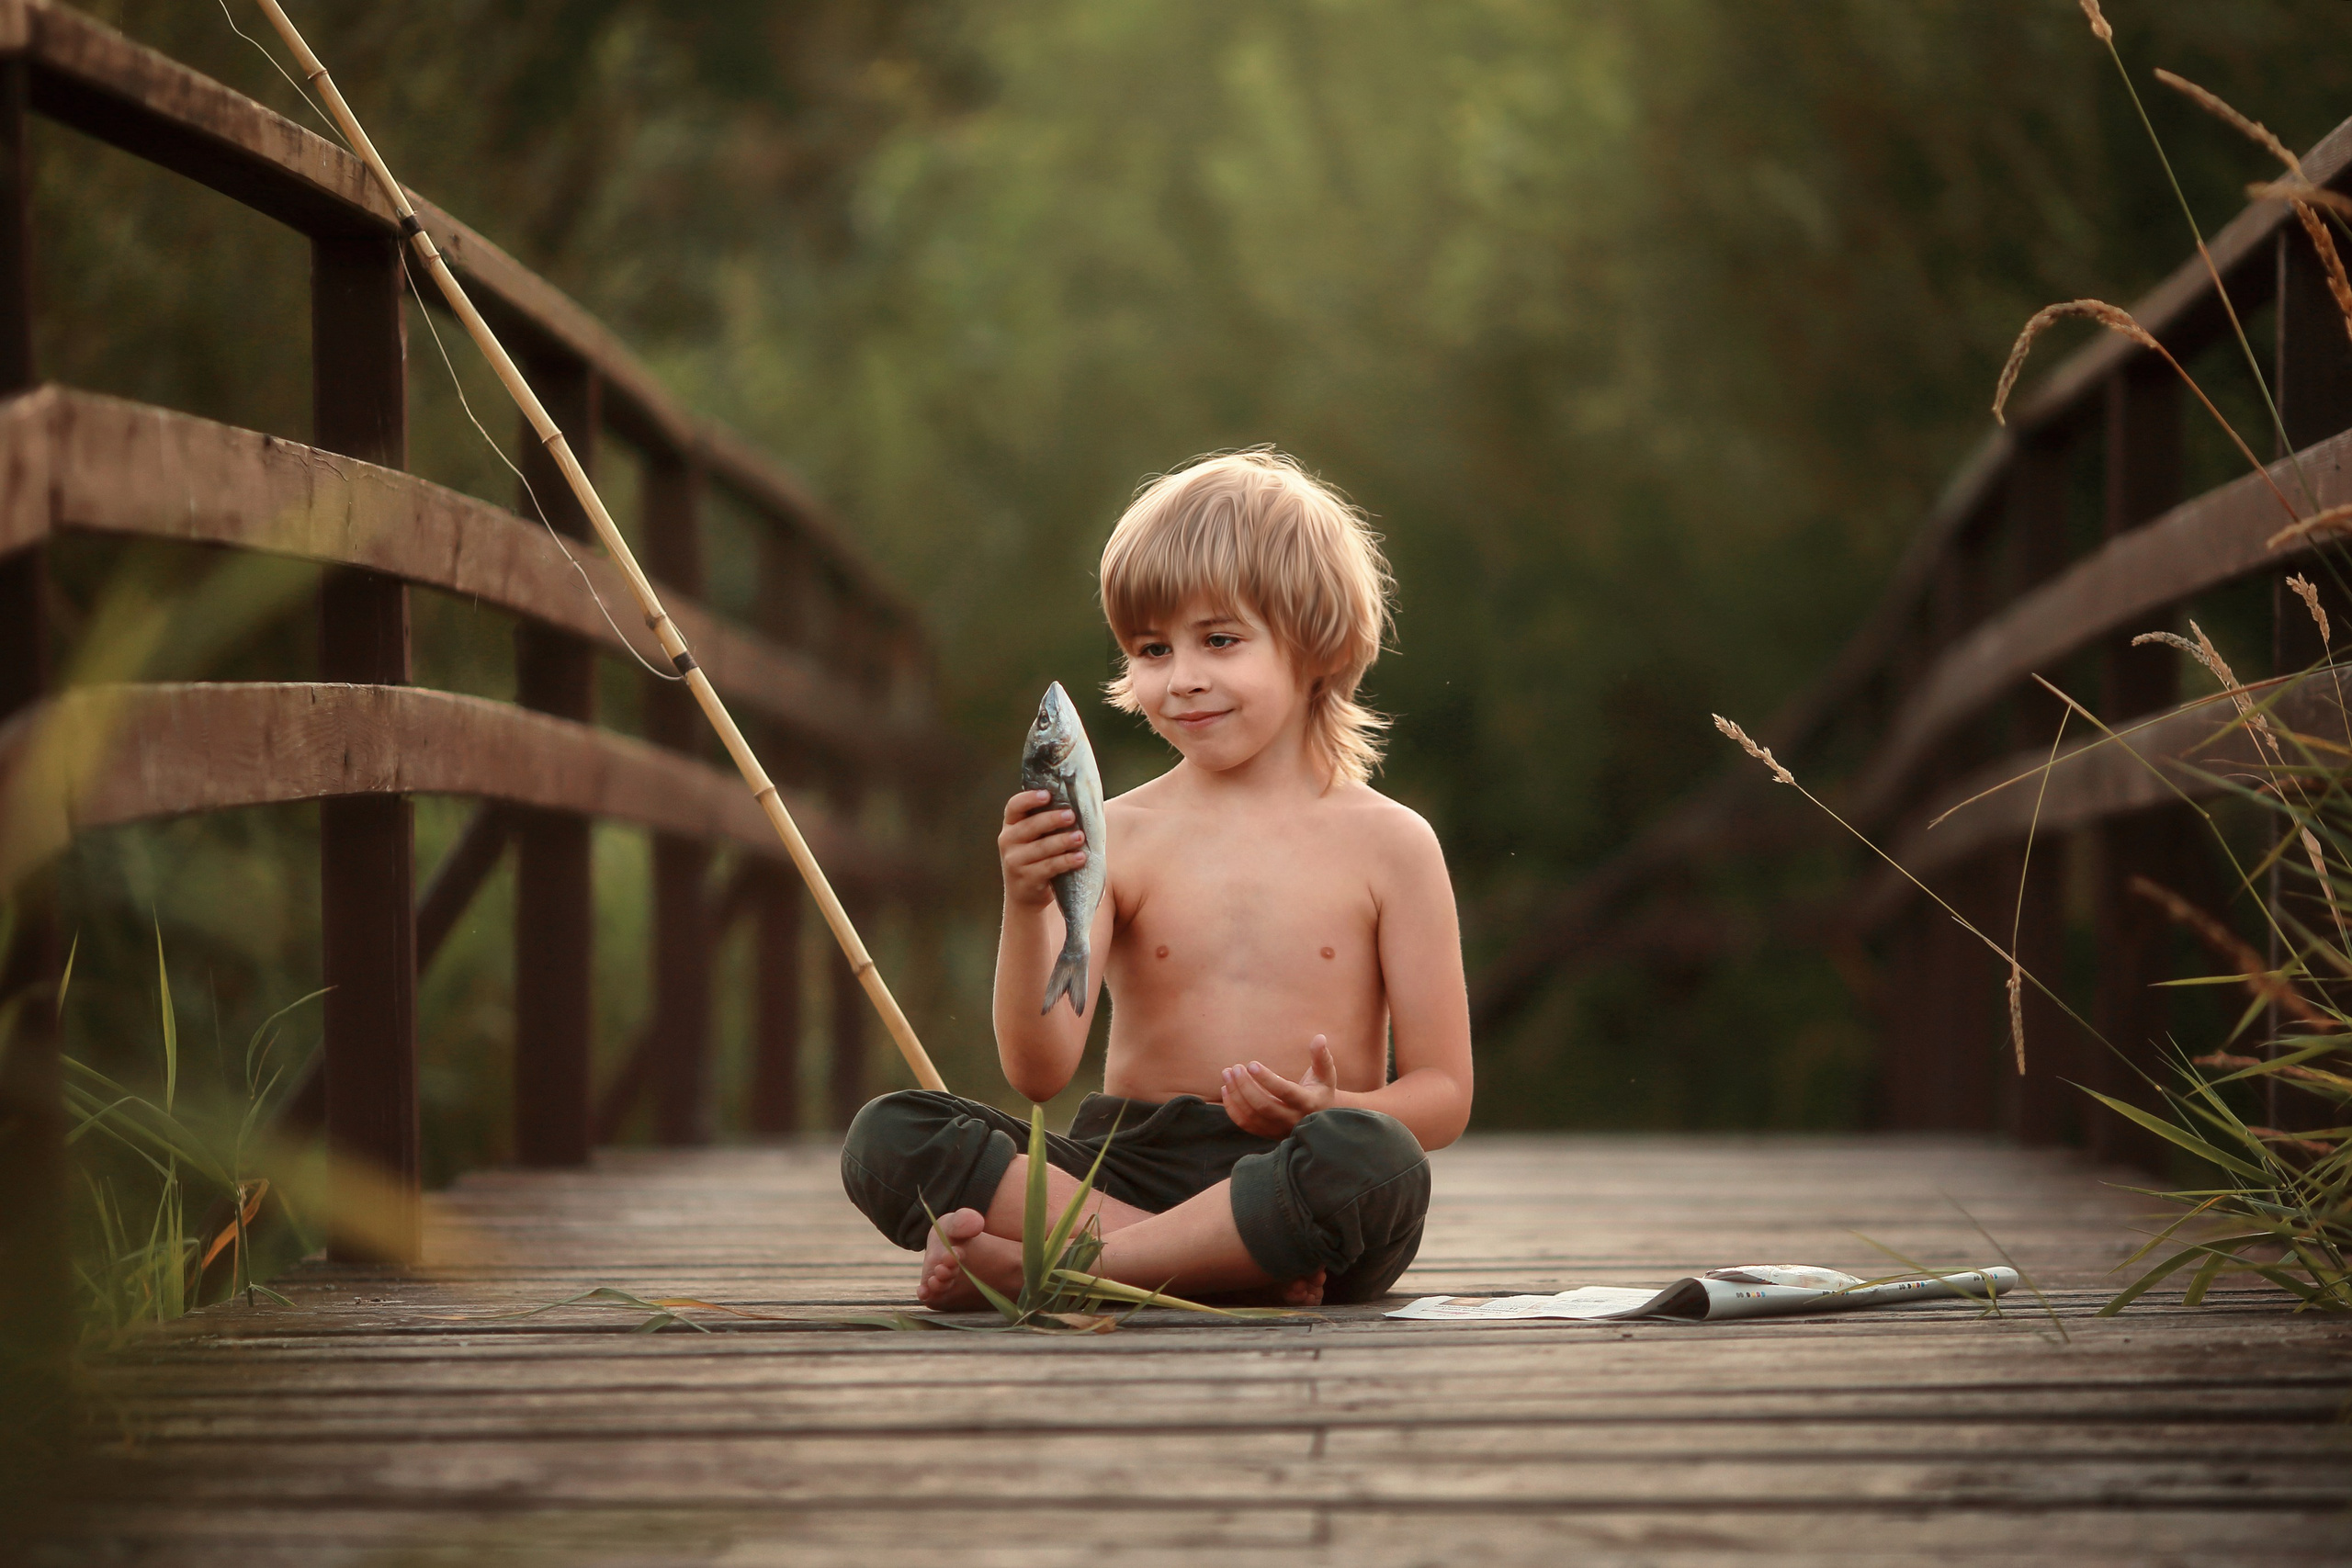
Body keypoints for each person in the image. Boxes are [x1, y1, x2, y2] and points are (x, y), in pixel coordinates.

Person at [841, 449, 1474, 1307]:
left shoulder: (1394, 844)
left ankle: (1067, 1267)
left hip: (1297, 1169)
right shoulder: (1123, 834)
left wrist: (1333, 1108)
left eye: (1218, 640)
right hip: (1124, 1172)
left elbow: (1444, 1094)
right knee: (891, 1135)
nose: (1180, 679)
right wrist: (1027, 906)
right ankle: (1205, 1262)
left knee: (1376, 1160)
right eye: (1149, 648)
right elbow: (1040, 1070)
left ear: (1317, 642)